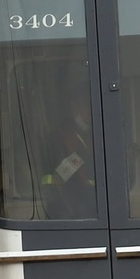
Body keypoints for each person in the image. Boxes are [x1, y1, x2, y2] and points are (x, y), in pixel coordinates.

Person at [38, 90, 97, 219]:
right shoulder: (64, 134)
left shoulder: (91, 132)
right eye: (86, 106)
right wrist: (80, 158)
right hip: (67, 207)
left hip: (90, 203)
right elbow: (60, 175)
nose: (90, 112)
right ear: (74, 107)